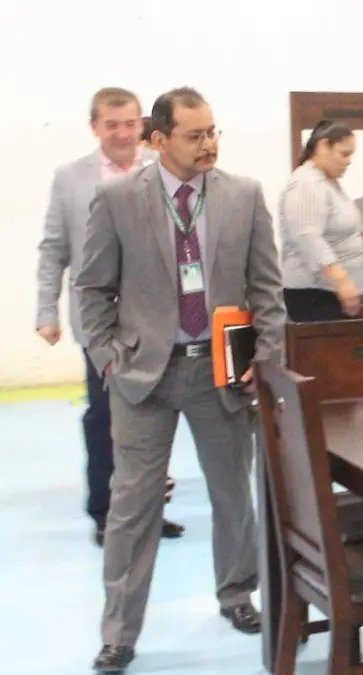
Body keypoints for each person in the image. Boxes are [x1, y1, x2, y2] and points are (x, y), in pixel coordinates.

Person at [76, 86, 286, 673]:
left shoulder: (243, 195)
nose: (209, 144)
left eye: (213, 131)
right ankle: (119, 631)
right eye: (195, 135)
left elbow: (267, 288)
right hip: (143, 375)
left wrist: (265, 355)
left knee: (233, 493)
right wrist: (109, 358)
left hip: (220, 373)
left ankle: (237, 594)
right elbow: (92, 288)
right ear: (159, 140)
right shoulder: (118, 198)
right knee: (131, 508)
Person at [34, 87, 185, 547]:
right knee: (103, 418)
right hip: (98, 321)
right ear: (95, 127)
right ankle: (105, 514)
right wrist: (46, 311)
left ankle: (149, 510)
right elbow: (54, 249)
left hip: (156, 320)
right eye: (112, 124)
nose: (123, 133)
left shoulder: (163, 169)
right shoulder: (70, 179)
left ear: (143, 125)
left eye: (130, 123)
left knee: (154, 418)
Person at [279, 119, 363, 322]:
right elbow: (307, 236)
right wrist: (341, 280)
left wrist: (361, 230)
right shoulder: (306, 183)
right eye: (344, 154)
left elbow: (329, 219)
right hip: (317, 295)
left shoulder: (326, 181)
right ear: (323, 147)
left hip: (331, 293)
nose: (349, 161)